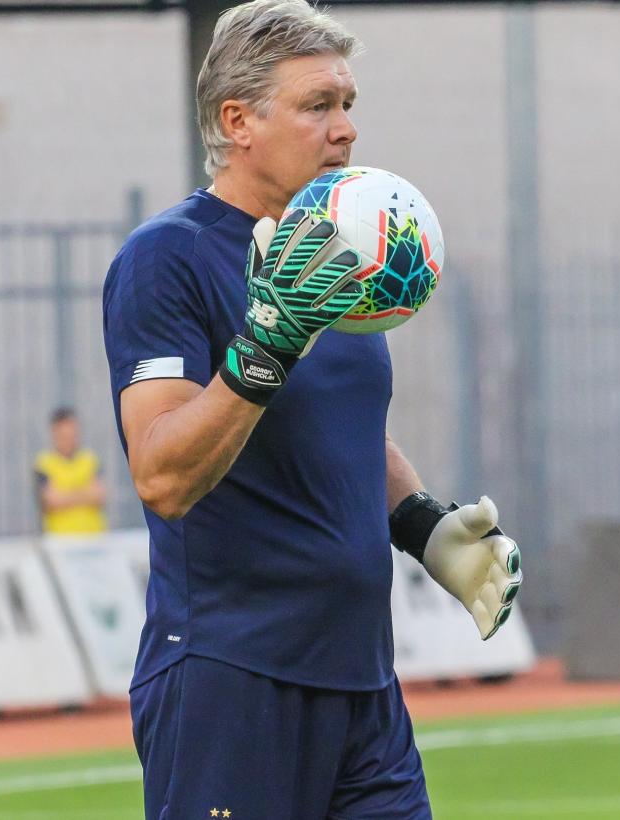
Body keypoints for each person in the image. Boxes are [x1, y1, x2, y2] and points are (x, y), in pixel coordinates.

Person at [102, 2, 522, 817]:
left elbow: (341, 429)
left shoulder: (339, 249)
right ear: (238, 122)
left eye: (348, 104)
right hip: (232, 681)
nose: (345, 129)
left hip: (363, 682)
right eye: (318, 105)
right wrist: (266, 345)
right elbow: (161, 474)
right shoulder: (167, 257)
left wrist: (424, 527)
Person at [33, 407, 108, 535]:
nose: (68, 439)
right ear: (54, 432)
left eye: (72, 434)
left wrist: (65, 495)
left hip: (94, 537)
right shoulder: (43, 463)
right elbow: (51, 501)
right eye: (63, 435)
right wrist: (85, 493)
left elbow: (99, 495)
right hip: (59, 539)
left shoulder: (90, 459)